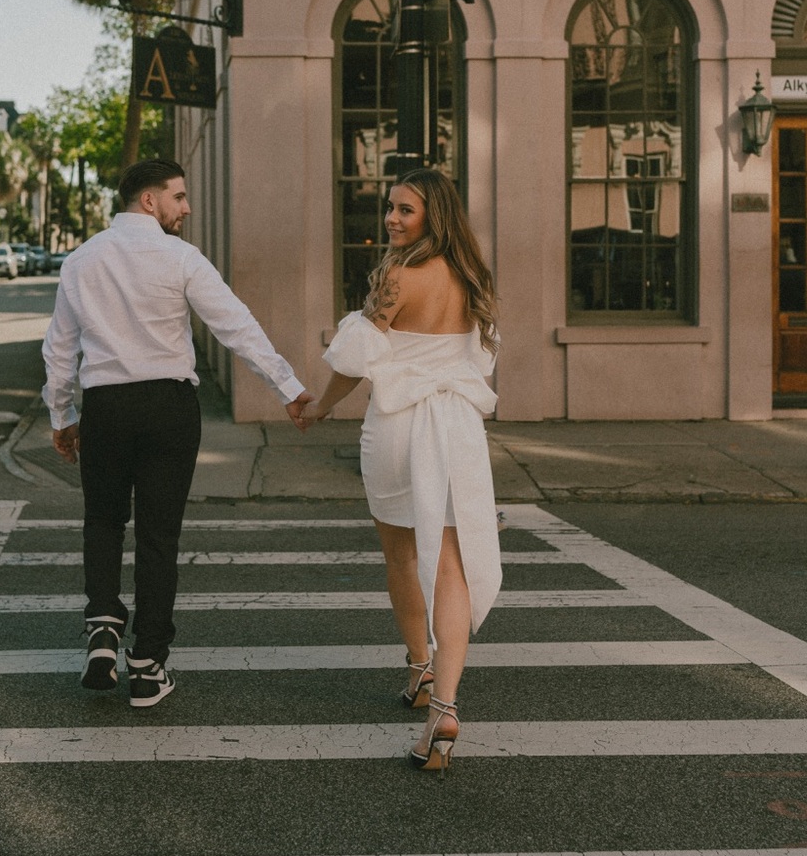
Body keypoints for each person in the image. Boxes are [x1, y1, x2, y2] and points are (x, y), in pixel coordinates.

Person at [42, 158, 312, 708]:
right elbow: (235, 324)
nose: (186, 208)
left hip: (108, 407)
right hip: (168, 407)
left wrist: (62, 416)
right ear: (149, 200)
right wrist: (288, 387)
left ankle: (102, 630)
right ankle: (147, 664)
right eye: (180, 197)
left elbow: (59, 349)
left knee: (103, 519)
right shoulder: (181, 258)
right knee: (159, 535)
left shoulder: (81, 260)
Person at [301, 168, 501, 774]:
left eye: (405, 210)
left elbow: (358, 358)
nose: (391, 218)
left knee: (401, 556)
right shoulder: (473, 276)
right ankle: (441, 701)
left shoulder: (396, 275)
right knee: (451, 563)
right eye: (390, 208)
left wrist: (319, 406)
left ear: (432, 215)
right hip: (459, 426)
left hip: (400, 425)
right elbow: (485, 354)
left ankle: (420, 667)